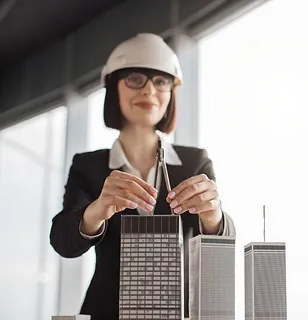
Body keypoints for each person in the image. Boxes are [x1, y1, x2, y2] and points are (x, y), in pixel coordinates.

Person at [50, 33, 236, 320]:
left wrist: (213, 217)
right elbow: (63, 242)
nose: (149, 91)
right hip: (107, 310)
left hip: (179, 311)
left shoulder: (195, 161)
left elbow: (220, 246)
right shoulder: (88, 166)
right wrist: (97, 210)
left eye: (161, 81)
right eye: (136, 79)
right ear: (113, 87)